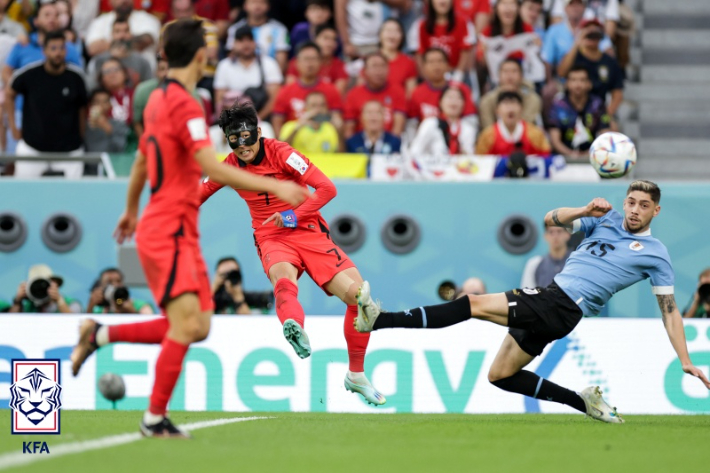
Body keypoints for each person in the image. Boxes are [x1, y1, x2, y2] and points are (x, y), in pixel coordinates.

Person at [69, 19, 308, 438]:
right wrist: (274, 184)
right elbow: (212, 166)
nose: (211, 53)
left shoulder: (157, 99)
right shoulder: (186, 104)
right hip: (170, 230)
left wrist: (130, 210)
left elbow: (144, 159)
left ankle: (99, 333)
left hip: (172, 227)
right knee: (186, 325)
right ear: (200, 55)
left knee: (198, 324)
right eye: (209, 47)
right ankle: (153, 419)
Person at [355, 180, 710, 422]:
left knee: (473, 303)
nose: (634, 210)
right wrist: (585, 209)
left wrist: (685, 360)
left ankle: (379, 319)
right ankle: (583, 402)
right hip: (555, 304)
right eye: (631, 202)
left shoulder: (655, 254)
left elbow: (670, 311)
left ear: (656, 212)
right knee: (500, 375)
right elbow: (551, 220)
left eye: (644, 206)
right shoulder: (607, 220)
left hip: (561, 303)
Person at [200, 100, 387, 406]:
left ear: (258, 132)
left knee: (359, 300)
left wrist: (291, 217)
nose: (242, 146)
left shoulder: (283, 153)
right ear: (228, 140)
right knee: (284, 280)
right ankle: (294, 324)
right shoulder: (228, 168)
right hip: (271, 236)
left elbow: (327, 189)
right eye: (235, 139)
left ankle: (356, 375)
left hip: (308, 230)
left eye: (247, 137)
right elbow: (194, 196)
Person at [6, 31, 88, 179]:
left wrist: (81, 135)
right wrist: (13, 127)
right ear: (44, 51)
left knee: (75, 194)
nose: (58, 53)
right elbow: (9, 94)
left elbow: (82, 108)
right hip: (33, 146)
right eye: (53, 48)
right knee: (23, 192)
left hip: (69, 149)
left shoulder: (76, 77)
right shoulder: (29, 74)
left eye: (62, 48)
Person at [271, 41, 343, 138]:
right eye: (306, 59)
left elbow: (337, 121)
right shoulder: (285, 91)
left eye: (313, 59)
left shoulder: (331, 90)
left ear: (320, 62)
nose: (310, 63)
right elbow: (277, 123)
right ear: (296, 63)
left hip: (325, 144)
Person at [557, 18, 624, 116]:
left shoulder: (610, 62)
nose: (592, 35)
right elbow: (561, 73)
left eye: (596, 33)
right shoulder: (574, 56)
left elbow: (617, 93)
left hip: (598, 110)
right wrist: (577, 43)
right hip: (571, 107)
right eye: (588, 32)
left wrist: (606, 116)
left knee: (612, 129)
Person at [213, 25, 282, 119]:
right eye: (241, 40)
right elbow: (219, 101)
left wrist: (257, 119)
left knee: (266, 131)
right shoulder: (224, 65)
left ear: (255, 42)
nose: (246, 44)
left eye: (249, 40)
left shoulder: (269, 63)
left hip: (260, 119)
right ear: (234, 44)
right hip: (232, 119)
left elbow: (275, 99)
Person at [407, 47, 478, 135]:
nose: (436, 66)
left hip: (456, 140)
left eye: (440, 61)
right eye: (431, 62)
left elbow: (471, 121)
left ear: (448, 65)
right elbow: (412, 125)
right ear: (424, 67)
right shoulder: (417, 92)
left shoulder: (461, 89)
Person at [548, 65, 611, 158]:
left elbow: (605, 135)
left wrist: (588, 154)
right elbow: (554, 140)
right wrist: (571, 155)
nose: (578, 84)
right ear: (566, 83)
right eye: (573, 80)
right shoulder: (558, 105)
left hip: (592, 158)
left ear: (589, 84)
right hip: (563, 159)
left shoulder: (597, 104)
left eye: (582, 80)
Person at [343, 52, 407, 139]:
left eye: (382, 66)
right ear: (364, 71)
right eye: (374, 66)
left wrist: (391, 145)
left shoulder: (398, 91)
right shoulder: (353, 94)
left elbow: (398, 126)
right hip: (360, 144)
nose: (379, 70)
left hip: (389, 144)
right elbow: (349, 128)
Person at [409, 0, 475, 80]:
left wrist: (458, 74)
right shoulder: (419, 26)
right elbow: (418, 57)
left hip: (459, 75)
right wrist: (427, 80)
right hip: (430, 78)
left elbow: (466, 51)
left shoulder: (464, 22)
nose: (443, 1)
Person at [85, 0, 161, 66]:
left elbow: (147, 40)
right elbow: (93, 49)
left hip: (144, 75)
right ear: (110, 1)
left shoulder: (148, 19)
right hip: (105, 75)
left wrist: (112, 43)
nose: (124, 0)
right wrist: (129, 42)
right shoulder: (99, 22)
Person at [475, 91, 550, 156]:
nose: (510, 108)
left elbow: (545, 157)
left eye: (514, 103)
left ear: (521, 109)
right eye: (506, 103)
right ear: (497, 110)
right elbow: (481, 162)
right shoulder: (487, 136)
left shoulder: (535, 134)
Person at [409, 85, 476, 156]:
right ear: (440, 102)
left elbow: (470, 156)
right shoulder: (431, 123)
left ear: (464, 104)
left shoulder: (468, 129)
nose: (453, 101)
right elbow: (415, 151)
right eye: (449, 97)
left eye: (458, 98)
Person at [86, 18, 152, 90]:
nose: (122, 35)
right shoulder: (100, 60)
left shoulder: (142, 61)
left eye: (126, 31)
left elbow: (148, 89)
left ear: (131, 34)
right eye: (117, 31)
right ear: (111, 34)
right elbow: (94, 88)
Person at [226, 0, 290, 71]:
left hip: (270, 75)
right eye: (253, 2)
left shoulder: (279, 29)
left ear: (268, 6)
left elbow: (282, 58)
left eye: (262, 2)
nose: (257, 6)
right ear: (245, 6)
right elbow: (231, 56)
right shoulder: (235, 29)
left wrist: (276, 78)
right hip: (241, 74)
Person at [478, 57, 542, 129]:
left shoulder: (532, 99)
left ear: (521, 76)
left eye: (514, 71)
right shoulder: (487, 101)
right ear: (498, 76)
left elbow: (527, 124)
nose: (510, 76)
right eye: (505, 71)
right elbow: (488, 129)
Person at [286, 23, 348, 95]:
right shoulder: (298, 61)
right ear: (315, 39)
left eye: (334, 40)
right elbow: (290, 91)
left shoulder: (340, 65)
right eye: (326, 38)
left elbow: (337, 94)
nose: (330, 43)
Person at [9, 264, 82, 314]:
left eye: (44, 285)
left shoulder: (71, 304)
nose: (41, 289)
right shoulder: (28, 307)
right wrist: (17, 302)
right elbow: (9, 326)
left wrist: (59, 300)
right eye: (36, 286)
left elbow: (74, 324)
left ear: (55, 284)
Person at [521, 222, 571, 289]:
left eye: (559, 231)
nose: (555, 236)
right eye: (551, 232)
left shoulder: (577, 263)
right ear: (545, 236)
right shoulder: (534, 264)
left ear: (567, 234)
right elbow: (526, 295)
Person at [87, 267, 154, 315]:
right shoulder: (98, 309)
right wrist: (91, 306)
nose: (115, 285)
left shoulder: (140, 305)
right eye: (109, 282)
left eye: (118, 281)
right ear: (100, 286)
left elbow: (150, 325)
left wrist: (132, 312)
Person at [377, 18, 418, 98]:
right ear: (380, 35)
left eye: (396, 31)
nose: (392, 35)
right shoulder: (370, 60)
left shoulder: (408, 62)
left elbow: (411, 94)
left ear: (402, 36)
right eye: (388, 30)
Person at [85, 88, 131, 153]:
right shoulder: (85, 126)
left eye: (105, 102)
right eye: (97, 102)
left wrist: (108, 129)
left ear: (110, 105)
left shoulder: (120, 125)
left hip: (113, 161)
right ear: (90, 105)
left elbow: (122, 148)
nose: (101, 105)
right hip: (92, 162)